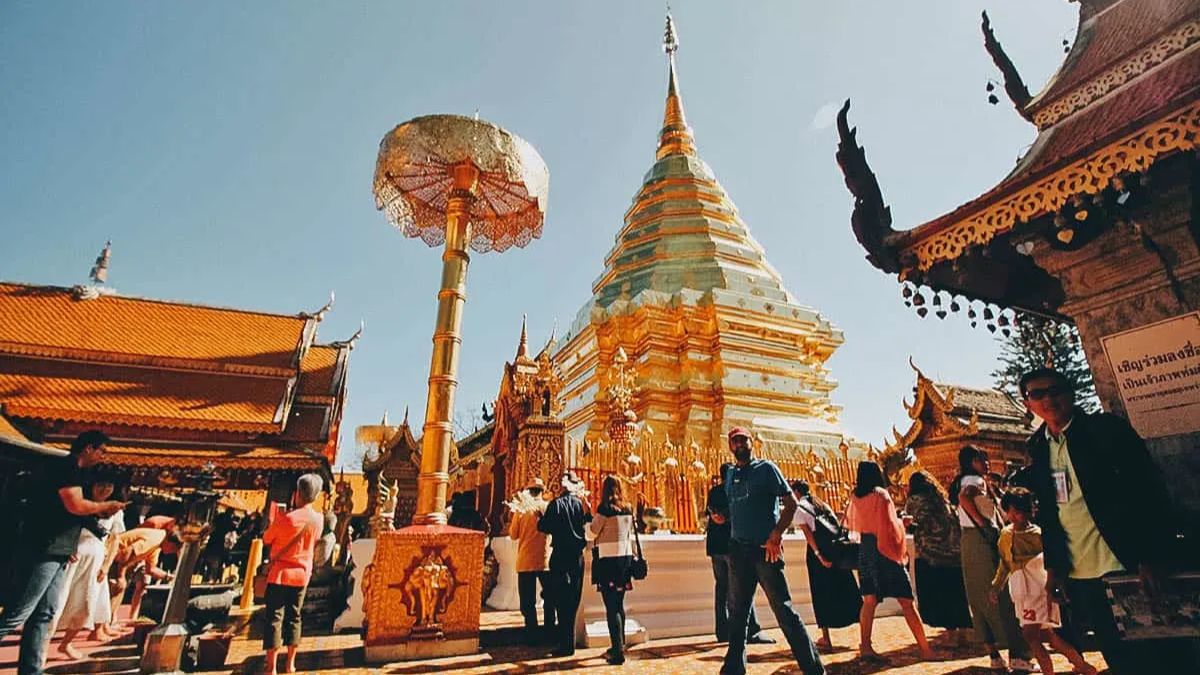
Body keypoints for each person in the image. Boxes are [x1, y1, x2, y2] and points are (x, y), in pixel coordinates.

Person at [1020, 367, 1197, 674]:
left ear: (1071, 393)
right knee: (1119, 658)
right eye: (1038, 393)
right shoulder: (1037, 448)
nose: (1048, 399)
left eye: (1055, 390)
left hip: (1129, 565)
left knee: (1167, 656)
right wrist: (1054, 570)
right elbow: (1049, 514)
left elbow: (1148, 492)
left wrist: (1150, 555)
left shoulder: (1105, 431)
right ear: (1028, 403)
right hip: (1083, 573)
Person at [0, 430, 125, 675]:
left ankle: (31, 669)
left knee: (44, 613)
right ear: (88, 448)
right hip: (43, 548)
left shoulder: (77, 473)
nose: (102, 456)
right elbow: (74, 505)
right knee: (19, 612)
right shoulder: (65, 467)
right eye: (101, 451)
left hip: (59, 550)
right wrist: (102, 507)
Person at [720, 427, 823, 675]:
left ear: (752, 442)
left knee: (784, 610)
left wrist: (776, 534)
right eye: (735, 441)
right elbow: (737, 507)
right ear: (730, 446)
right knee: (737, 613)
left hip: (764, 551)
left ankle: (813, 669)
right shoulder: (731, 474)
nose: (739, 444)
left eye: (743, 439)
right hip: (739, 552)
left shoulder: (766, 469)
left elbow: (791, 503)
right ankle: (733, 668)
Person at [989, 488, 1097, 675]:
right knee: (1047, 635)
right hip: (1020, 592)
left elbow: (1051, 563)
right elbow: (1004, 564)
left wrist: (1054, 585)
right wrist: (996, 586)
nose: (1014, 516)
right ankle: (1082, 665)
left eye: (1018, 511)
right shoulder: (1005, 535)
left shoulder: (1038, 535)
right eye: (1010, 512)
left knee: (1030, 635)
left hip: (1038, 589)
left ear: (1028, 511)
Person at [951, 445, 1033, 672]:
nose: (986, 464)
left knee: (978, 597)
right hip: (982, 541)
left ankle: (994, 654)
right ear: (972, 461)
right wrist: (983, 523)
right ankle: (1018, 654)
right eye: (981, 459)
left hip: (969, 543)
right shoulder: (974, 481)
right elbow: (964, 498)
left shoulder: (966, 480)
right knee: (1001, 595)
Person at [845, 461, 934, 662]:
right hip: (884, 548)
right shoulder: (881, 495)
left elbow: (856, 525)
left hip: (866, 549)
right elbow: (888, 527)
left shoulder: (855, 496)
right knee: (906, 601)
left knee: (869, 600)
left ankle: (865, 646)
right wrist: (903, 523)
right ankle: (925, 649)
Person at [51, 475, 126, 660]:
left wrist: (107, 566)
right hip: (73, 557)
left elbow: (115, 540)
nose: (104, 488)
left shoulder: (115, 511)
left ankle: (66, 643)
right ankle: (42, 646)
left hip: (96, 560)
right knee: (58, 601)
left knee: (86, 602)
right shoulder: (80, 504)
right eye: (101, 483)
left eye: (109, 484)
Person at [261, 474, 324, 675]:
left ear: (297, 494)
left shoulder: (287, 518)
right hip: (302, 575)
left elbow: (266, 538)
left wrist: (275, 521)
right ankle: (290, 664)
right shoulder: (318, 520)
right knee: (294, 617)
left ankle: (271, 666)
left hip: (280, 574)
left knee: (274, 618)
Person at [706, 463, 773, 646]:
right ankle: (751, 630)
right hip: (731, 545)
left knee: (722, 589)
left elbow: (711, 514)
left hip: (715, 547)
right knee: (742, 588)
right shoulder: (734, 491)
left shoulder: (714, 492)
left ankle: (722, 630)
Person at [789, 479, 860, 650]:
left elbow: (808, 535)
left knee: (821, 594)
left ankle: (826, 637)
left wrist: (819, 555)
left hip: (819, 554)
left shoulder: (800, 507)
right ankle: (863, 633)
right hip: (836, 550)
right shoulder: (822, 504)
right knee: (846, 589)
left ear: (796, 492)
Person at [905, 471, 972, 643]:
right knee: (957, 594)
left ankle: (951, 635)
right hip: (953, 551)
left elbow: (914, 524)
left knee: (941, 596)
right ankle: (963, 631)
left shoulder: (915, 501)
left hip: (931, 554)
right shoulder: (942, 500)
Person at [538, 471, 592, 657]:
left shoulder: (555, 505)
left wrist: (540, 516)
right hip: (577, 556)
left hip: (560, 554)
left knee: (560, 599)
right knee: (573, 598)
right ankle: (569, 642)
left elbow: (544, 527)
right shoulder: (580, 505)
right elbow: (588, 525)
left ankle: (565, 643)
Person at [589, 475, 636, 665]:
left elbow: (592, 531)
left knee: (611, 607)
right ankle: (620, 643)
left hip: (608, 562)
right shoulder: (627, 509)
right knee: (619, 604)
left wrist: (587, 518)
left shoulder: (605, 509)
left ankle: (617, 652)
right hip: (624, 561)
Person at [508, 478, 554, 645]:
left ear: (528, 491)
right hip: (544, 560)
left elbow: (513, 535)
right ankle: (550, 630)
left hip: (526, 560)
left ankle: (532, 633)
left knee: (527, 600)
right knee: (550, 597)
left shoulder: (521, 509)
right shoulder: (548, 507)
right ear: (542, 491)